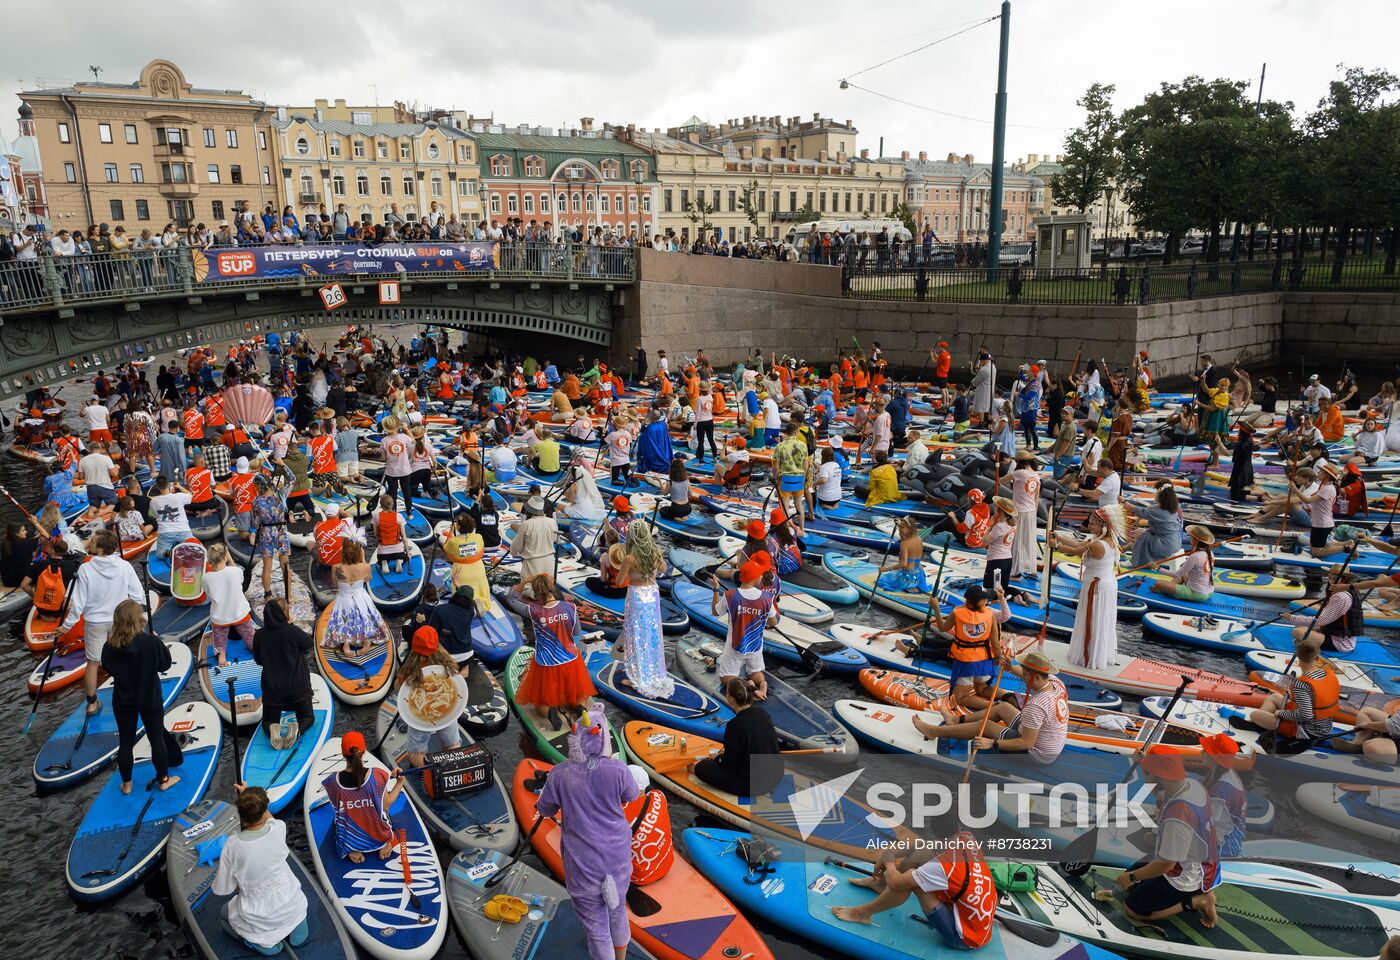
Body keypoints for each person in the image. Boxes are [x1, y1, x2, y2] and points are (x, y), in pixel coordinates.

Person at [534, 705, 643, 960]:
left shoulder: (560, 775)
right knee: (617, 912)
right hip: (616, 858)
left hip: (583, 863)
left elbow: (546, 808)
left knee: (596, 928)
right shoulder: (617, 770)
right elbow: (631, 794)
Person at [830, 832, 998, 950]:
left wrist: (889, 863)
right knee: (924, 852)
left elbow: (896, 883)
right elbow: (922, 846)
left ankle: (862, 914)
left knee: (911, 880)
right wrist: (890, 855)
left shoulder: (944, 866)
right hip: (971, 918)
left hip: (965, 939)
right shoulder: (966, 837)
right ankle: (880, 885)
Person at [1116, 745, 1220, 929]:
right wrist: (1144, 766)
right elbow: (1160, 792)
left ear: (1159, 776)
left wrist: (1133, 877)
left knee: (1133, 908)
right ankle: (1202, 891)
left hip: (1185, 873)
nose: (1146, 776)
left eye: (1149, 773)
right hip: (1201, 858)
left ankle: (1199, 900)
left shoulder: (1178, 817)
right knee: (1130, 882)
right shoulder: (1192, 785)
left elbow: (1166, 864)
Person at [213, 785, 310, 956]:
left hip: (260, 913)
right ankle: (296, 923)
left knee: (223, 914)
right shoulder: (278, 828)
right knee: (292, 910)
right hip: (288, 900)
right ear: (264, 809)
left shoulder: (232, 846)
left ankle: (261, 943)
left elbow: (224, 888)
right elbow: (269, 817)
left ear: (241, 816)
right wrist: (250, 795)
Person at [59, 529, 145, 716]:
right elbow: (138, 597)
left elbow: (78, 603)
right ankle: (131, 694)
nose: (89, 542)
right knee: (126, 658)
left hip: (95, 622)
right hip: (120, 621)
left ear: (99, 549)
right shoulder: (125, 566)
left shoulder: (85, 568)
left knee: (93, 663)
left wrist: (66, 626)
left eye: (93, 541)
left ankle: (91, 703)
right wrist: (140, 620)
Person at [100, 598, 182, 793]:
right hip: (150, 697)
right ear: (139, 620)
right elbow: (165, 664)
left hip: (123, 700)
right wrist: (156, 642)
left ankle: (127, 784)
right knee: (156, 739)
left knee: (126, 743)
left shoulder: (109, 647)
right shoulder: (150, 642)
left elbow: (108, 667)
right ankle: (163, 779)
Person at [515, 574, 597, 728]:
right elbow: (577, 631)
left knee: (540, 703)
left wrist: (525, 581)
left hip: (547, 664)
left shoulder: (534, 611)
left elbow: (511, 598)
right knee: (578, 695)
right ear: (552, 587)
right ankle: (581, 708)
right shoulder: (570, 607)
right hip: (571, 660)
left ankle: (549, 712)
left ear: (536, 594)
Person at [1052, 504, 1125, 670]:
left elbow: (1075, 550)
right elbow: (1078, 542)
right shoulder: (1108, 540)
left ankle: (1089, 657)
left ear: (1104, 526)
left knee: (1092, 619)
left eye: (1093, 523)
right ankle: (1098, 654)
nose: (1090, 525)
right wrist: (1059, 536)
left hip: (1097, 587)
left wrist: (1055, 545)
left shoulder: (1097, 545)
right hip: (1106, 584)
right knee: (1100, 619)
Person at [321, 731, 404, 864]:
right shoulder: (377, 775)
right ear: (364, 752)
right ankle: (384, 843)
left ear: (343, 755)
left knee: (338, 817)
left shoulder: (332, 782)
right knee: (383, 811)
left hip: (350, 840)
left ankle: (353, 848)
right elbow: (386, 805)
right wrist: (399, 783)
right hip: (378, 836)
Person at [692, 677, 782, 796]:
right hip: (776, 775)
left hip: (754, 785)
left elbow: (729, 765)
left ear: (732, 699)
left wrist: (717, 758)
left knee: (702, 767)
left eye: (727, 692)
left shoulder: (734, 725)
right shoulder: (762, 712)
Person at [1247, 635, 1339, 749]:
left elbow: (1306, 715)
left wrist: (1280, 713)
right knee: (1275, 696)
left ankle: (1262, 722)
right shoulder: (1329, 674)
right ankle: (1265, 722)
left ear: (1297, 657)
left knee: (1254, 714)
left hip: (1307, 731)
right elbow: (1318, 698)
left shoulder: (1301, 684)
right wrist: (1294, 697)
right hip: (1325, 726)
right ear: (1317, 658)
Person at [614, 520, 673, 698]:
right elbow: (664, 569)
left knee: (637, 637)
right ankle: (654, 672)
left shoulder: (630, 558)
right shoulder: (655, 552)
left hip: (637, 596)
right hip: (652, 594)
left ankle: (637, 678)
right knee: (652, 635)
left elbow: (618, 582)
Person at [395, 627, 465, 768]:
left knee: (414, 754)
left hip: (421, 717)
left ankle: (432, 771)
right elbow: (459, 680)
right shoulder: (447, 663)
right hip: (447, 712)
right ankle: (453, 766)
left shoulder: (411, 668)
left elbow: (398, 688)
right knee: (453, 745)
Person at [710, 558, 778, 702]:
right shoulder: (767, 598)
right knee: (756, 671)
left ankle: (750, 687)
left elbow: (716, 612)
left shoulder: (730, 595)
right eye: (760, 575)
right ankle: (762, 684)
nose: (761, 577)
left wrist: (716, 589)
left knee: (725, 678)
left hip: (735, 647)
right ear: (754, 578)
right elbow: (773, 622)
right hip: (755, 646)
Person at [252, 597, 315, 746]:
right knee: (307, 717)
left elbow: (258, 660)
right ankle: (298, 729)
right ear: (284, 614)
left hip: (273, 689)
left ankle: (274, 729)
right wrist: (291, 624)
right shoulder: (292, 631)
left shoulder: (260, 635)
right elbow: (308, 644)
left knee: (267, 721)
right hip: (297, 686)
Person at [324, 540, 390, 659]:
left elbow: (335, 583)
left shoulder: (335, 567)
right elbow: (368, 579)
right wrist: (363, 559)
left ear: (343, 552)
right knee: (366, 617)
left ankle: (346, 645)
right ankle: (366, 641)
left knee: (344, 620)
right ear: (358, 552)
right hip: (361, 597)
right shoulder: (365, 567)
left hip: (344, 598)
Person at [206, 543, 255, 668]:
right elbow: (241, 580)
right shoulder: (235, 571)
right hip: (240, 614)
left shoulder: (206, 578)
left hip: (220, 617)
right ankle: (257, 650)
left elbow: (209, 594)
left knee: (219, 643)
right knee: (251, 641)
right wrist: (231, 560)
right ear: (225, 557)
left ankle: (221, 655)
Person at [1199, 733, 1247, 859]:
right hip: (1228, 832)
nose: (1201, 752)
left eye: (1205, 750)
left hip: (1224, 847)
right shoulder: (1222, 773)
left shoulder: (1221, 790)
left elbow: (1206, 825)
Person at [443, 512, 493, 614]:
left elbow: (446, 547)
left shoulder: (453, 542)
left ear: (459, 527)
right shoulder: (478, 537)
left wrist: (451, 532)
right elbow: (481, 551)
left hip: (461, 572)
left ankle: (465, 606)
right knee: (480, 587)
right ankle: (481, 603)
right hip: (478, 570)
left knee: (459, 588)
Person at [250, 475, 291, 596]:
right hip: (282, 533)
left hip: (267, 534)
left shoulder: (256, 501)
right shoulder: (281, 495)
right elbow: (293, 478)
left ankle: (268, 595)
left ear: (259, 485)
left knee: (267, 568)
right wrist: (282, 465)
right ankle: (289, 595)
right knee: (285, 567)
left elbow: (256, 522)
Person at [1151, 525, 1216, 602]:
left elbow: (1177, 574)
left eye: (1191, 537)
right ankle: (1167, 589)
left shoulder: (1195, 556)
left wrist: (1157, 568)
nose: (1190, 539)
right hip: (1210, 591)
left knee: (1158, 583)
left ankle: (1166, 590)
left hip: (1198, 594)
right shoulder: (1210, 553)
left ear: (1196, 540)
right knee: (1183, 574)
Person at [1008, 450, 1042, 579]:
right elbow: (1036, 498)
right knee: (1029, 540)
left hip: (1019, 511)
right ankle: (1032, 569)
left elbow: (1000, 480)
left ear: (1019, 461)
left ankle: (1015, 572)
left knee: (1016, 540)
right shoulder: (1036, 475)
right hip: (1031, 511)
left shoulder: (1019, 473)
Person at [149, 475, 194, 559]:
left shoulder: (153, 501)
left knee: (159, 554)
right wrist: (179, 487)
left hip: (165, 532)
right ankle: (185, 551)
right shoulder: (179, 496)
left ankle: (166, 553)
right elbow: (190, 495)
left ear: (157, 487)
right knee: (192, 548)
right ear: (169, 485)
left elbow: (154, 515)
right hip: (183, 530)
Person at [374, 493, 407, 575]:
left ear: (381, 505)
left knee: (380, 560)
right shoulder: (398, 516)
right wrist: (407, 551)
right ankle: (400, 560)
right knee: (405, 558)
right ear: (393, 504)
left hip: (383, 553)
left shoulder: (376, 516)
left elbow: (375, 534)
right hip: (398, 552)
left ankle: (384, 562)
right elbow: (403, 536)